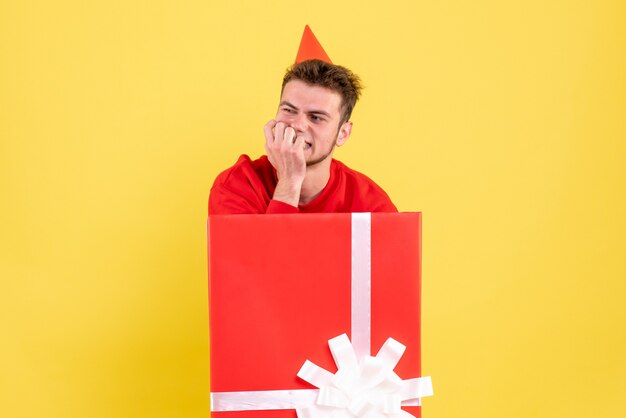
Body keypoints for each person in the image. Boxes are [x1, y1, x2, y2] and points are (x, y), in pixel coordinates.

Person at [209, 26, 397, 215]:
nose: (297, 125)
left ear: (343, 133)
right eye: (289, 110)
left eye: (316, 117)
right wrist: (289, 182)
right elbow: (261, 247)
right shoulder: (236, 186)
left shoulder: (371, 206)